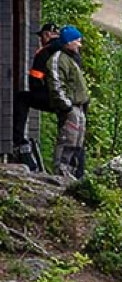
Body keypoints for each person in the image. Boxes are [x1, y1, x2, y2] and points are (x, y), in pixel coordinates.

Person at [11, 23, 60, 171]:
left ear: (46, 35)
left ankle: (19, 141)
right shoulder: (66, 50)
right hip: (69, 99)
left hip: (50, 96)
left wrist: (38, 92)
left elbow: (35, 78)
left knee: (22, 98)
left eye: (41, 37)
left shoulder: (44, 52)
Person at [46, 26, 89, 179]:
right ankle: (60, 173)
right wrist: (66, 105)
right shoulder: (58, 59)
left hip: (79, 107)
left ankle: (70, 173)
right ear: (68, 42)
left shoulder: (71, 59)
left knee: (77, 142)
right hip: (70, 107)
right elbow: (56, 84)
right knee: (67, 140)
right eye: (77, 41)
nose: (79, 44)